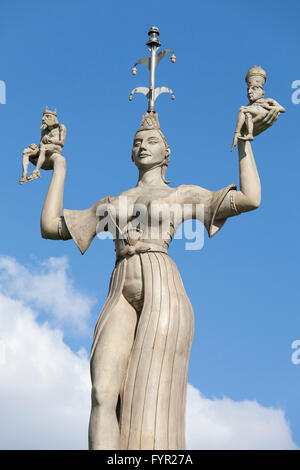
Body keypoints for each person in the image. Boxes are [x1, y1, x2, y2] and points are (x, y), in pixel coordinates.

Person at [36, 107, 279, 450]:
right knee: (103, 392)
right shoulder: (111, 204)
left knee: (149, 390)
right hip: (120, 286)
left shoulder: (180, 195)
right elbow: (50, 227)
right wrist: (58, 167)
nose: (142, 146)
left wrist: (244, 142)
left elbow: (250, 198)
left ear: (167, 153)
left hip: (161, 285)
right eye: (137, 142)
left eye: (151, 141)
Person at [231, 66, 285, 151]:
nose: (249, 92)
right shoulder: (249, 106)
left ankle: (236, 133)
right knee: (247, 113)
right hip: (254, 114)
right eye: (248, 89)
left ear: (261, 91)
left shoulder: (267, 100)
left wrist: (268, 107)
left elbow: (282, 109)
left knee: (243, 109)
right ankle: (249, 134)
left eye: (254, 89)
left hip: (262, 111)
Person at [19, 107, 66, 184]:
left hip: (56, 148)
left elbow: (62, 142)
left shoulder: (61, 127)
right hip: (43, 150)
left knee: (43, 148)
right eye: (44, 117)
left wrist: (51, 140)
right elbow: (41, 144)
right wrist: (35, 147)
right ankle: (24, 175)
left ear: (53, 118)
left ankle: (36, 171)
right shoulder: (44, 131)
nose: (43, 119)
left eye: (47, 116)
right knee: (26, 151)